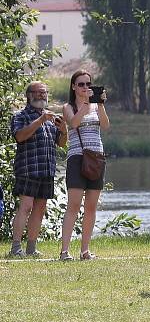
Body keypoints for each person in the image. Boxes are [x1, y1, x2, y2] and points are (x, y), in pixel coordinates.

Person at [9, 81, 68, 257]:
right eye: (39, 92)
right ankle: (15, 248)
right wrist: (40, 120)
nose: (43, 95)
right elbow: (20, 136)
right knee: (26, 206)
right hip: (27, 168)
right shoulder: (20, 115)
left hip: (47, 169)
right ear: (29, 95)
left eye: (45, 92)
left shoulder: (51, 118)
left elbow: (61, 143)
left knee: (40, 208)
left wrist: (64, 130)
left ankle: (31, 248)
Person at [59, 70, 110, 261]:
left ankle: (85, 251)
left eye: (88, 84)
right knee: (73, 205)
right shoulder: (68, 106)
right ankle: (65, 251)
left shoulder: (96, 106)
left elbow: (105, 126)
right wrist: (87, 105)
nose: (85, 88)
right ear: (73, 86)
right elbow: (73, 123)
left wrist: (101, 104)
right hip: (77, 158)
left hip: (96, 158)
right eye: (81, 84)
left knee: (91, 206)